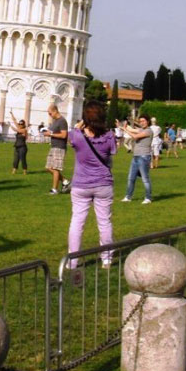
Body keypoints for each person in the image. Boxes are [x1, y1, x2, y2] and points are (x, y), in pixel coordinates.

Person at [67, 101, 117, 269]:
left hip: (81, 184)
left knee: (77, 222)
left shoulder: (77, 135)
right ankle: (107, 258)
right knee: (104, 222)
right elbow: (111, 154)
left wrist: (80, 124)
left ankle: (73, 260)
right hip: (103, 183)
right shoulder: (109, 136)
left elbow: (71, 136)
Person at [119, 114, 153, 204]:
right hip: (136, 156)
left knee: (145, 179)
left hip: (144, 157)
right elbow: (132, 129)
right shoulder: (141, 129)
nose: (142, 123)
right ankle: (128, 197)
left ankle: (148, 198)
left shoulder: (149, 131)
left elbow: (134, 136)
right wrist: (124, 125)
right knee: (131, 178)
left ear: (148, 121)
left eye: (143, 121)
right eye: (140, 121)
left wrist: (125, 129)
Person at [44, 104, 70, 195]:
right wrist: (47, 132)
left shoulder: (62, 121)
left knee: (55, 168)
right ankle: (65, 182)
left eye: (50, 113)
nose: (49, 115)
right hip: (53, 146)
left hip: (59, 147)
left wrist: (50, 134)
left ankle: (54, 189)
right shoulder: (55, 121)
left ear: (55, 111)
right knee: (48, 168)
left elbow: (64, 135)